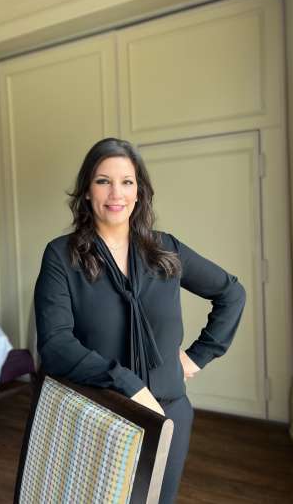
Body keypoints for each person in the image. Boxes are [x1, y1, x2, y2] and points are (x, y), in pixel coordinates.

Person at [34, 137, 246, 503]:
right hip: (101, 411)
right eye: (103, 181)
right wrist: (126, 381)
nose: (116, 193)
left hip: (169, 414)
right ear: (87, 190)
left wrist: (199, 355)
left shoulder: (167, 249)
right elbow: (55, 345)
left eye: (126, 182)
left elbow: (231, 293)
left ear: (140, 192)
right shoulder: (61, 255)